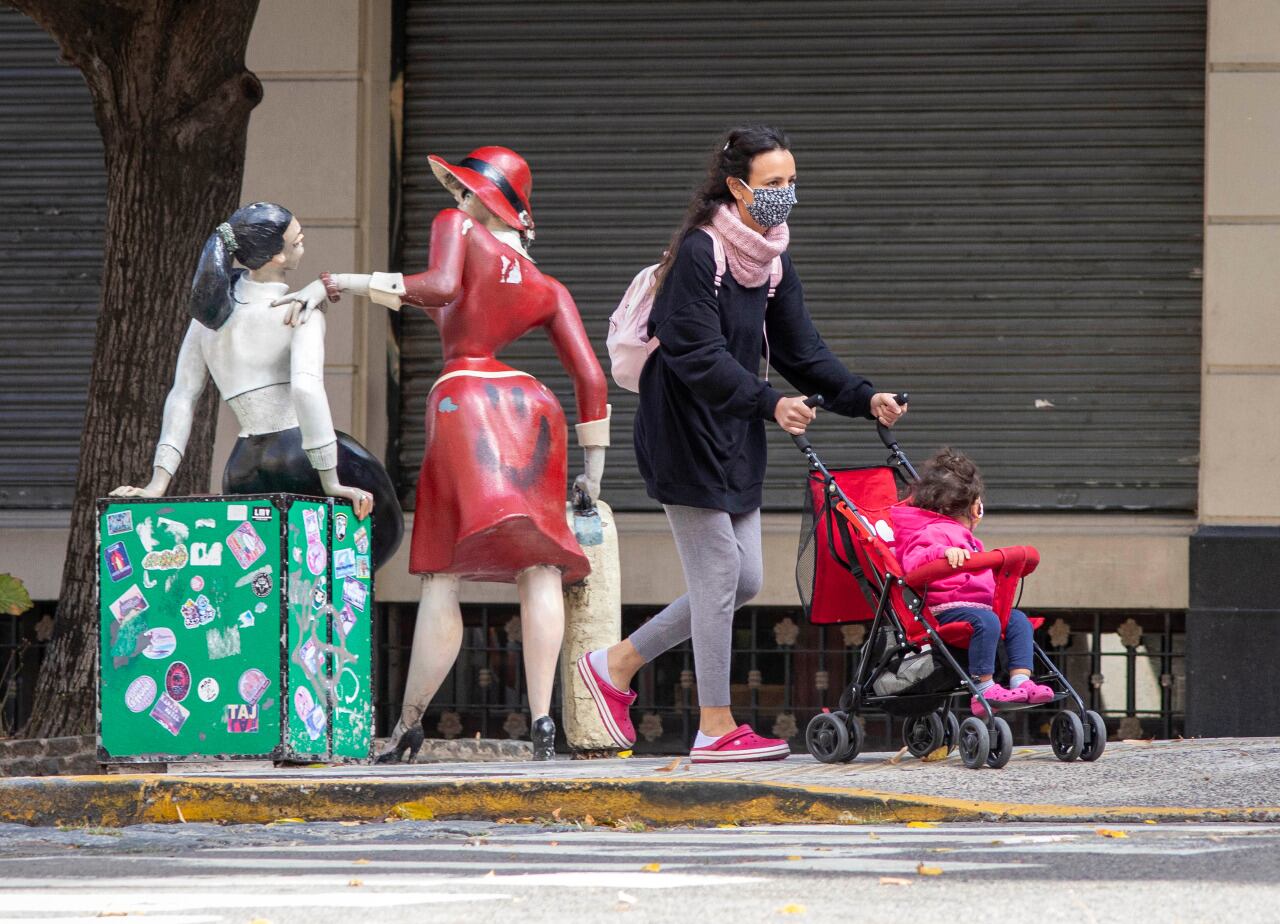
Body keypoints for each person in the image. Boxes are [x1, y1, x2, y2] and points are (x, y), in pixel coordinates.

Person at [575, 125, 907, 764]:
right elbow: (696, 353)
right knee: (719, 573)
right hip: (683, 431)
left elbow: (802, 350)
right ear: (737, 187)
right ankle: (714, 726)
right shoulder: (701, 252)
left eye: (792, 181)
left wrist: (864, 397)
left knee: (744, 577)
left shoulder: (771, 259)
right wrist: (769, 402)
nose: (786, 193)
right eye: (772, 182)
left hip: (735, 430)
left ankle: (615, 663)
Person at [278, 147, 610, 762]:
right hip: (533, 407)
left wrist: (339, 283)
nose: (455, 198)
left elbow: (439, 286)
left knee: (442, 574)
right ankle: (544, 724)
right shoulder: (547, 287)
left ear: (484, 200)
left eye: (464, 190)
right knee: (541, 566)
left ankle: (408, 725)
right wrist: (593, 471)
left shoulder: (455, 226)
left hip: (465, 397)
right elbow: (590, 377)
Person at [111, 202, 404, 570]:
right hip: (299, 454)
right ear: (277, 257)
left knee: (261, 576)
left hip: (243, 466)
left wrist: (157, 483)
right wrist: (330, 480)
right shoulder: (298, 310)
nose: (303, 246)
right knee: (368, 547)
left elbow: (183, 395)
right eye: (298, 241)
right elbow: (306, 390)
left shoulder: (210, 317)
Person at [891, 447, 1055, 715]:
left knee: (1018, 621)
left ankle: (1021, 679)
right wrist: (942, 553)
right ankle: (984, 687)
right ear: (970, 507)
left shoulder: (969, 539)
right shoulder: (931, 531)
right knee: (987, 621)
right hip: (948, 608)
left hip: (979, 607)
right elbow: (913, 561)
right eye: (978, 504)